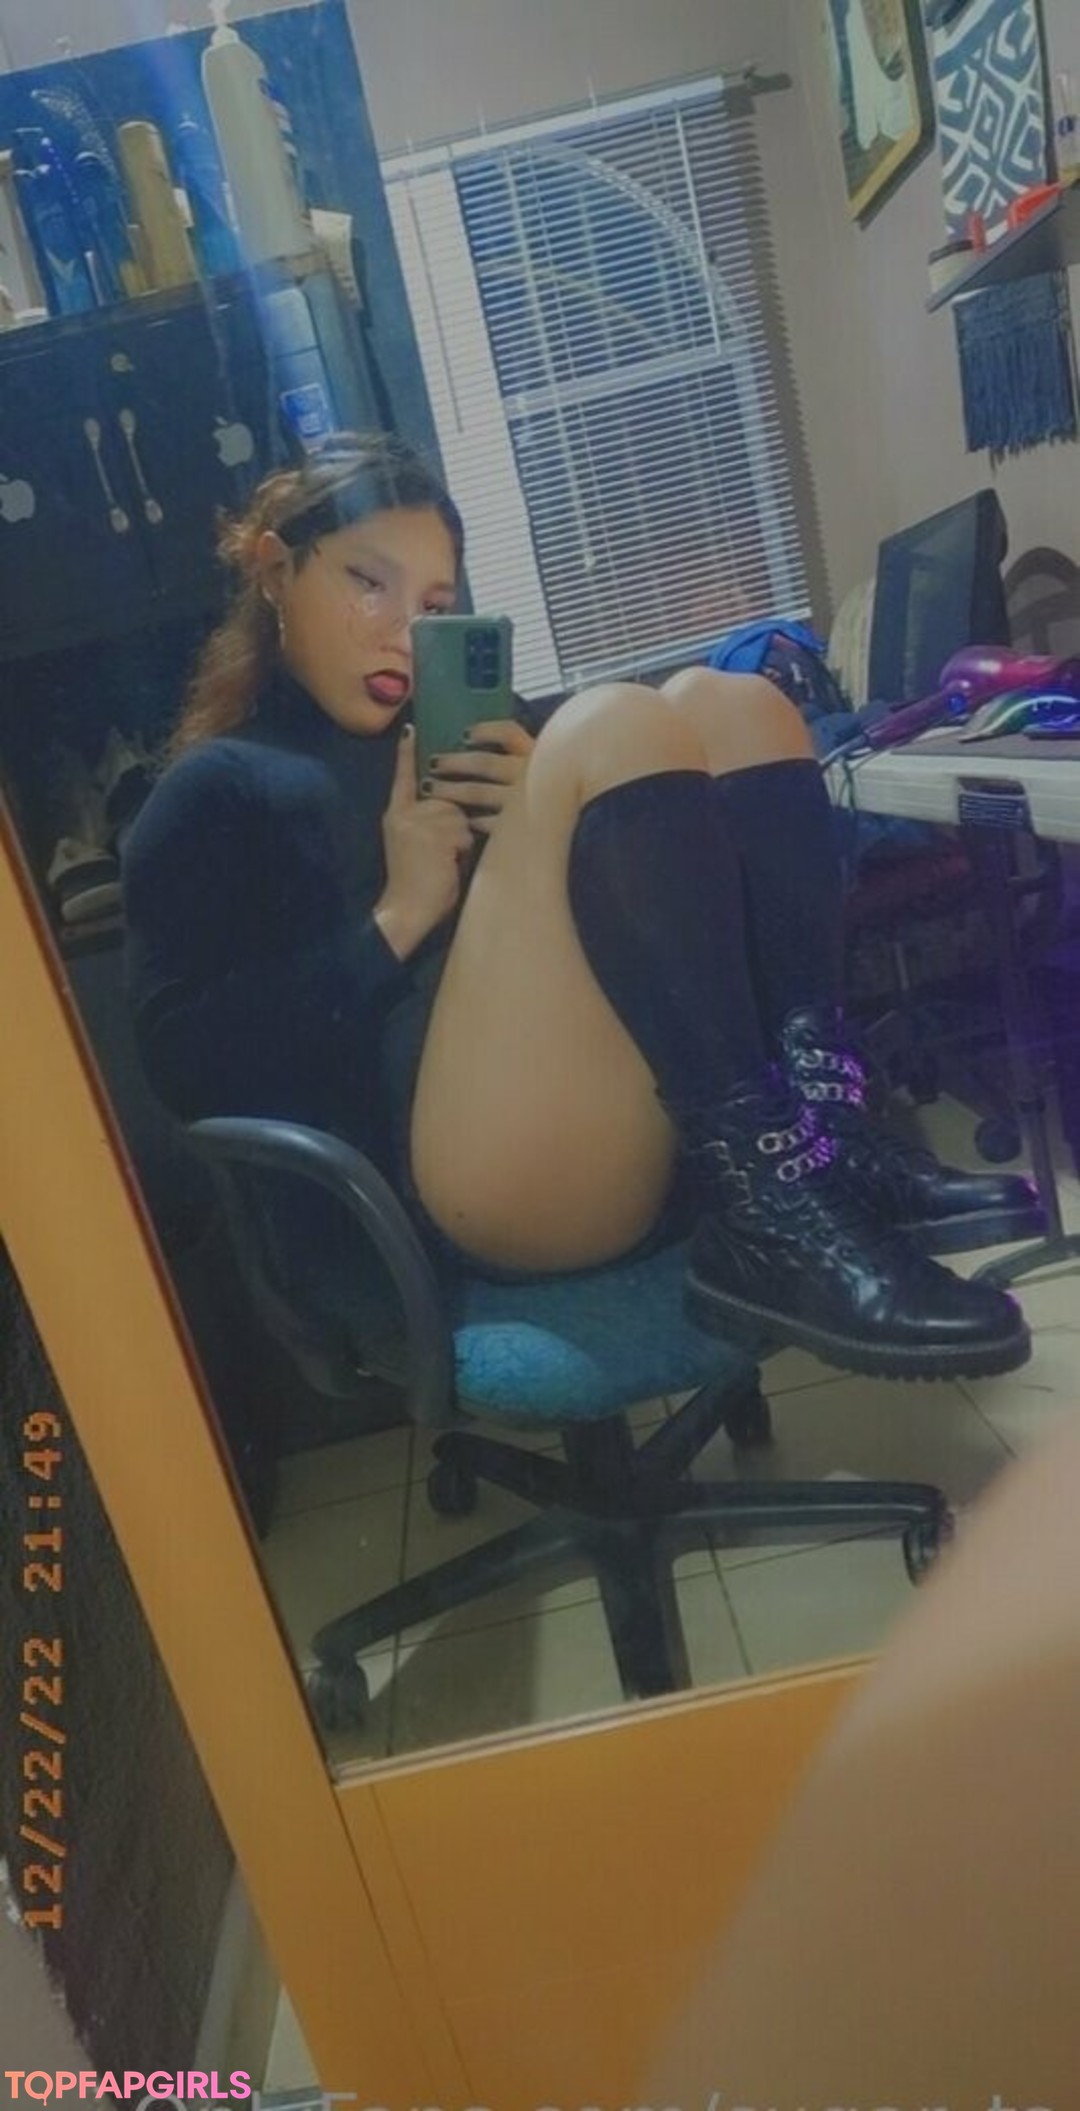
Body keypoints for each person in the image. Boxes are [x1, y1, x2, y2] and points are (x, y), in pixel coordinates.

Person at [122, 432, 1033, 1381]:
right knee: (611, 722)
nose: (401, 632)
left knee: (733, 703)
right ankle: (770, 1209)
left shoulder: (470, 730)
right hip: (457, 1186)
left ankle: (818, 1140)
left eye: (432, 604)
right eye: (368, 582)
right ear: (276, 570)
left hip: (623, 1124)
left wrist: (544, 807)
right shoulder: (216, 788)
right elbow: (184, 1066)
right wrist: (397, 919)